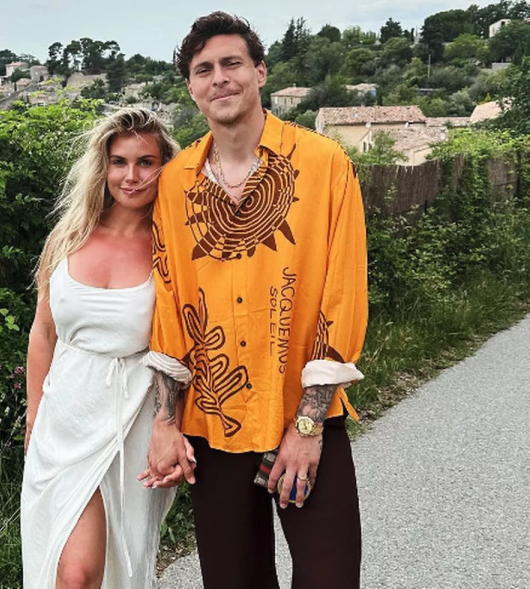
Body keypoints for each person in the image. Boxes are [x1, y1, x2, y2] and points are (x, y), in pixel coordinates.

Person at [140, 12, 368, 589]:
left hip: (304, 415)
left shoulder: (324, 165)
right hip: (213, 424)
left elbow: (342, 297)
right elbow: (169, 304)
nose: (219, 78)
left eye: (232, 63)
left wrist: (308, 426)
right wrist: (166, 422)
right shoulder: (175, 182)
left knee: (330, 578)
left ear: (260, 72)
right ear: (191, 88)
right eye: (204, 70)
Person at [21, 108, 182, 589]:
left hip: (132, 422)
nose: (131, 176)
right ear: (103, 167)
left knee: (115, 571)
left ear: (164, 167)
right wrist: (34, 417)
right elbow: (42, 333)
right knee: (73, 575)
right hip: (64, 421)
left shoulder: (173, 247)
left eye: (145, 162)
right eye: (119, 162)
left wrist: (170, 425)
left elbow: (181, 346)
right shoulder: (68, 237)